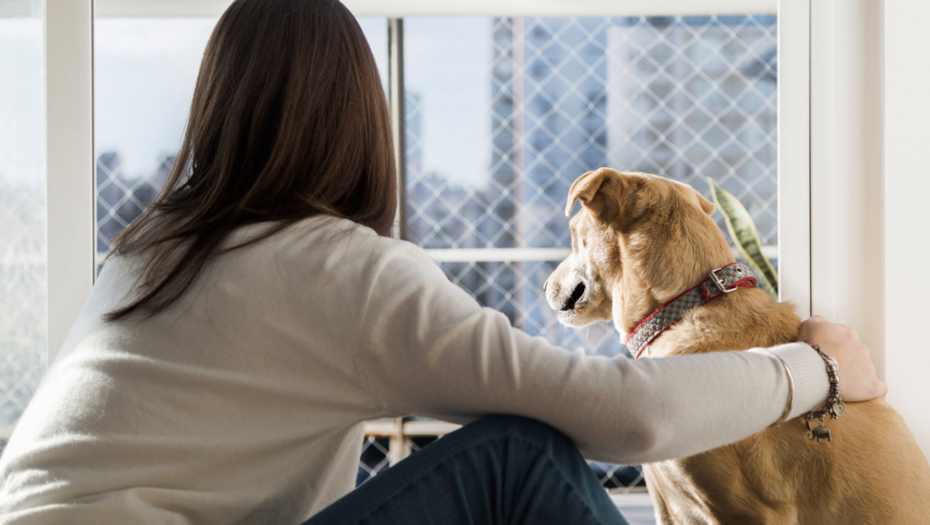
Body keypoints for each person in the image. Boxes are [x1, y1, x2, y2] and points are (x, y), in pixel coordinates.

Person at [0, 1, 886, 524]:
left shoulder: (150, 252)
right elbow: (623, 414)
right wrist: (813, 368)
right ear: (359, 125)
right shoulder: (336, 271)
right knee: (518, 453)